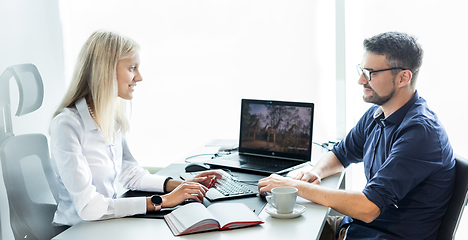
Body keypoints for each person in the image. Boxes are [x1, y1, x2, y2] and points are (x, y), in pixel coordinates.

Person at [258, 32, 455, 240]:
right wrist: (315, 173)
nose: (361, 80)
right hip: (354, 230)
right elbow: (341, 154)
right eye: (362, 70)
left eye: (371, 73)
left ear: (403, 78)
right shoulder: (377, 113)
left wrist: (295, 186)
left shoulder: (420, 134)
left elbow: (369, 208)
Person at [50, 30, 222, 226]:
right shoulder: (67, 126)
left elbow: (130, 173)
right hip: (77, 230)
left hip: (107, 223)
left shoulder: (111, 118)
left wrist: (182, 185)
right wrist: (163, 201)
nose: (139, 77)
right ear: (105, 71)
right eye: (132, 68)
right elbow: (89, 207)